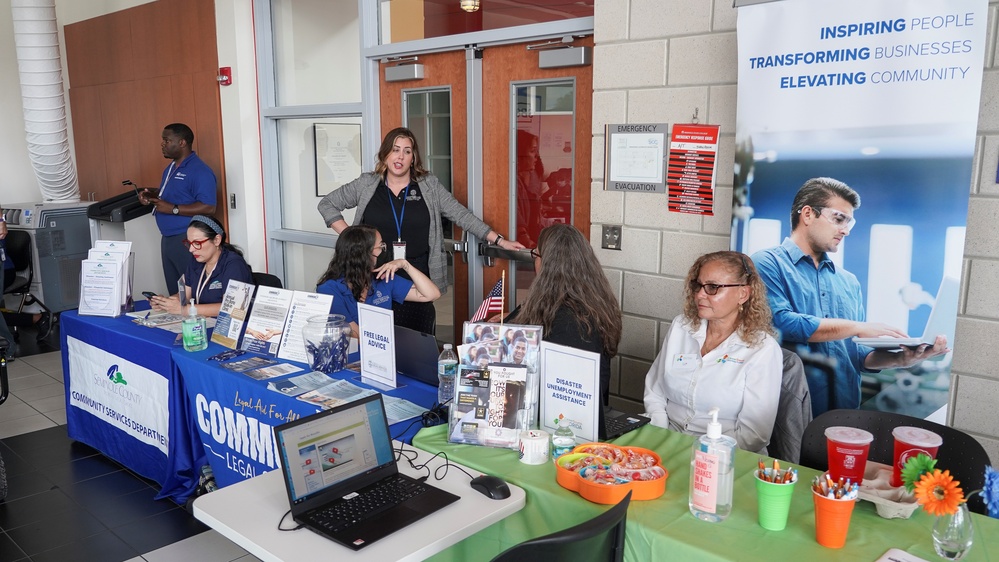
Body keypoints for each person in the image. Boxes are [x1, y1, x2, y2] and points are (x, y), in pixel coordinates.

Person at [751, 177, 948, 414]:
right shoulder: (766, 263)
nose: (845, 230)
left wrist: (903, 360)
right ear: (807, 214)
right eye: (838, 219)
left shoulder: (848, 282)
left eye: (849, 223)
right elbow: (783, 324)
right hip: (789, 411)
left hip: (844, 412)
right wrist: (857, 327)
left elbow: (859, 356)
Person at [318, 127, 523, 333]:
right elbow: (327, 204)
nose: (400, 156)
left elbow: (461, 215)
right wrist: (354, 239)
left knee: (417, 343)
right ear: (385, 153)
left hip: (417, 275)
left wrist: (499, 240)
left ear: (413, 158)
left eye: (407, 151)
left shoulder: (428, 185)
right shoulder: (367, 184)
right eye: (395, 149)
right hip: (377, 276)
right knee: (379, 339)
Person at [644, 251, 782, 454]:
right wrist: (661, 437)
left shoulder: (763, 349)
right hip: (667, 441)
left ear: (743, 294)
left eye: (712, 288)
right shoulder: (681, 327)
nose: (700, 294)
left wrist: (698, 454)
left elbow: (754, 434)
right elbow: (655, 391)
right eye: (698, 286)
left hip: (724, 456)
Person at [505, 223, 621, 405]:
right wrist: (511, 317)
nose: (534, 261)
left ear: (548, 265)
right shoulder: (592, 305)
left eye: (536, 255)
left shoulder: (568, 321)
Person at [316, 224, 441, 338]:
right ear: (364, 254)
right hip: (354, 356)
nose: (383, 250)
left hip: (384, 350)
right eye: (380, 246)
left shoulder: (383, 277)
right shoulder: (329, 288)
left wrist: (404, 264)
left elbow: (432, 294)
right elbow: (354, 334)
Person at [138, 123, 218, 291]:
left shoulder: (200, 171)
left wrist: (173, 209)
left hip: (187, 240)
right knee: (175, 291)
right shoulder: (171, 168)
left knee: (191, 290)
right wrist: (151, 195)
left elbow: (209, 207)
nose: (162, 144)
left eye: (167, 140)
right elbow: (174, 193)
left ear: (182, 143)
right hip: (167, 238)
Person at [148, 215, 252, 318]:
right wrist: (166, 303)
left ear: (216, 240)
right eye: (189, 243)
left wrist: (184, 309)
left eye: (197, 243)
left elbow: (234, 308)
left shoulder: (235, 265)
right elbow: (185, 297)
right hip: (202, 323)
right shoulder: (196, 261)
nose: (191, 250)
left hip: (226, 328)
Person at [515, 130, 544, 247]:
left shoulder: (522, 180)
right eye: (532, 151)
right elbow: (516, 215)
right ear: (519, 154)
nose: (536, 156)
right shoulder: (513, 184)